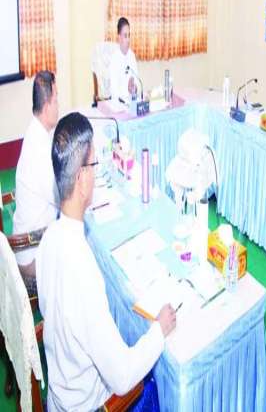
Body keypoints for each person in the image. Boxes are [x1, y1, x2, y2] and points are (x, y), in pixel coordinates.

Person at [37, 113, 176, 411]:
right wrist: (159, 330)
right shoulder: (82, 271)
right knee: (156, 386)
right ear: (82, 179)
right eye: (94, 164)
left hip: (60, 390)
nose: (96, 172)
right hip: (87, 404)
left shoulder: (49, 238)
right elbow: (123, 377)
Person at [13, 71, 59, 296]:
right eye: (56, 100)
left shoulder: (36, 132)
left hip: (30, 242)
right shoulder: (38, 148)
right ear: (47, 105)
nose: (58, 106)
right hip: (31, 259)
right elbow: (62, 198)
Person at [108, 17, 139, 103]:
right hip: (119, 103)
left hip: (132, 101)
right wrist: (127, 89)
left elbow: (137, 82)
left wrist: (134, 88)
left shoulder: (132, 55)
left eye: (129, 35)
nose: (128, 39)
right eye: (125, 36)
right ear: (119, 37)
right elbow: (114, 92)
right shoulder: (114, 59)